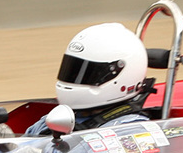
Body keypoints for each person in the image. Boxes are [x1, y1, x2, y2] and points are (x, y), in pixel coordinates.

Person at [25, 23, 155, 136]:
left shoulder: (130, 128)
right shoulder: (54, 119)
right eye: (73, 70)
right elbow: (20, 149)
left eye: (89, 73)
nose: (75, 79)